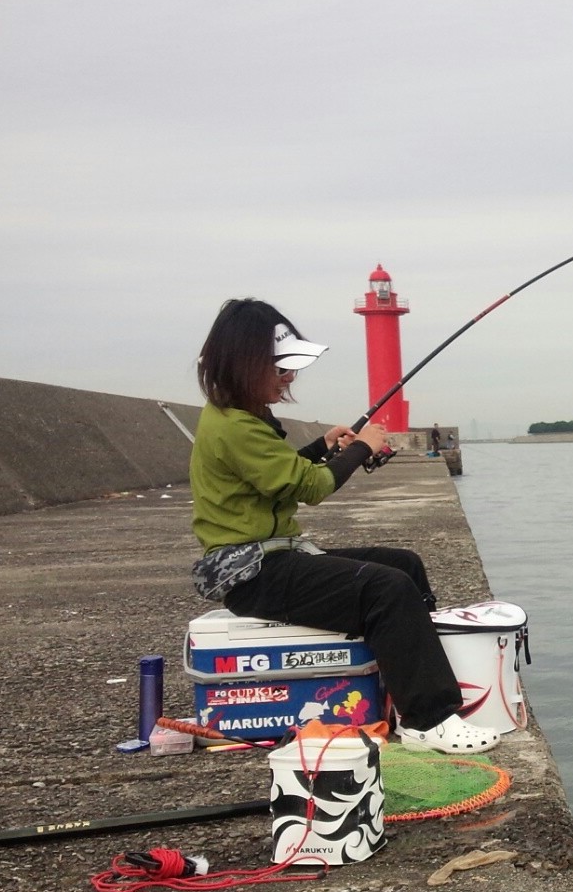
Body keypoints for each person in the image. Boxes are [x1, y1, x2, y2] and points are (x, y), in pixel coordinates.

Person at [187, 297, 499, 754]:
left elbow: (279, 475)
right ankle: (429, 720)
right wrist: (363, 448)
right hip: (252, 573)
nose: (289, 378)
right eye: (280, 370)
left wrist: (321, 444)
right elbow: (308, 487)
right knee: (384, 589)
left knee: (403, 565)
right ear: (244, 366)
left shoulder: (239, 419)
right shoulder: (235, 426)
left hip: (273, 559)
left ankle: (416, 690)